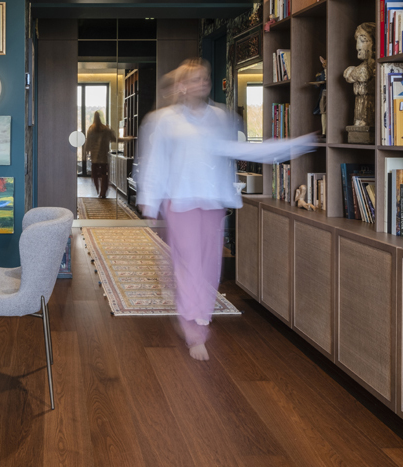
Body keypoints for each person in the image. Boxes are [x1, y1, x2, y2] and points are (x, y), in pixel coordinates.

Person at [137, 58, 314, 361]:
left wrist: (292, 146)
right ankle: (194, 332)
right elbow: (155, 160)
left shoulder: (220, 118)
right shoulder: (164, 120)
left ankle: (199, 314)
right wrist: (149, 199)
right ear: (182, 85)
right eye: (195, 79)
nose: (202, 83)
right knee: (188, 265)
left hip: (212, 202)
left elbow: (239, 149)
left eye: (204, 78)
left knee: (209, 267)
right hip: (180, 201)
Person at [83, 112, 119, 198]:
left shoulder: (91, 129)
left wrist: (86, 152)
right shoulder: (105, 129)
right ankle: (103, 192)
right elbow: (114, 138)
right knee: (104, 174)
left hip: (95, 156)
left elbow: (88, 142)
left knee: (95, 174)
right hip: (104, 156)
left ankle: (97, 189)